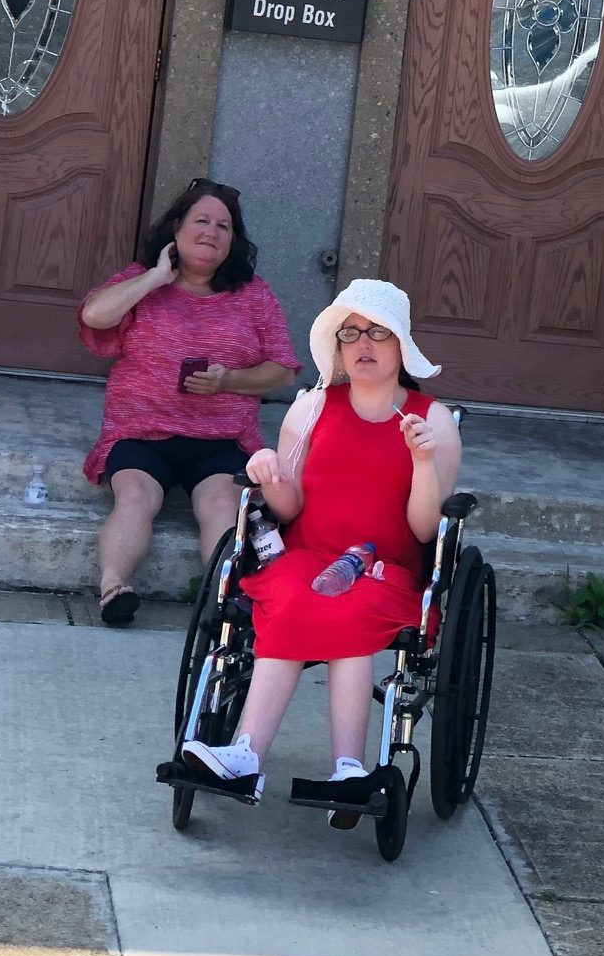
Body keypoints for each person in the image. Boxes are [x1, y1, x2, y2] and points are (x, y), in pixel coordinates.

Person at [181, 277, 461, 813]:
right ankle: (245, 755)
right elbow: (286, 510)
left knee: (347, 608)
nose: (362, 344)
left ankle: (348, 768)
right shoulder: (311, 409)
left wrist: (423, 464)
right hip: (304, 557)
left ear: (400, 344)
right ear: (337, 347)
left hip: (384, 569)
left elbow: (426, 530)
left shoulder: (433, 421)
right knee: (289, 600)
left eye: (377, 332)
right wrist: (268, 476)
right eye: (350, 333)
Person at [78, 178, 299, 624]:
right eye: (202, 220)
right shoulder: (140, 282)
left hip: (219, 440)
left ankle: (220, 602)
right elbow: (95, 315)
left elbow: (284, 368)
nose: (211, 232)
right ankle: (113, 588)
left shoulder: (253, 294)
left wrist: (229, 380)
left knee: (220, 506)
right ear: (177, 229)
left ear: (233, 241)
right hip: (142, 432)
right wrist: (157, 277)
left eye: (223, 226)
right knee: (136, 497)